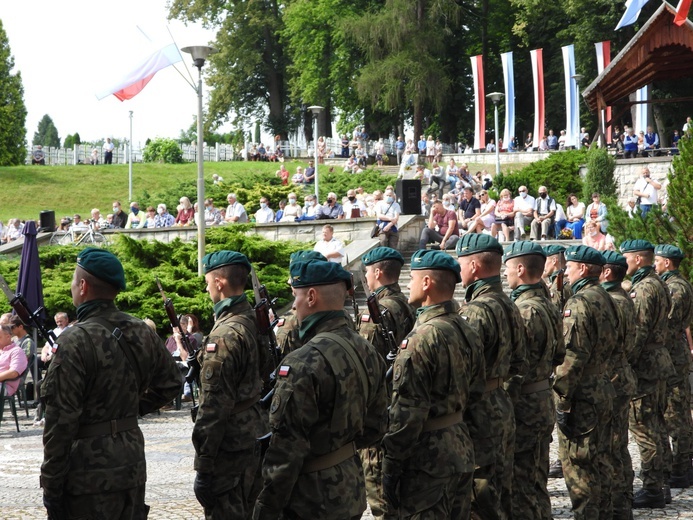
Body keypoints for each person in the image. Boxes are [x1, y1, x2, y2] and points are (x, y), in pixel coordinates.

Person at [40, 248, 182, 519]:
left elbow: (61, 421)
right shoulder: (142, 330)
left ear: (83, 286)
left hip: (87, 471)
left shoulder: (73, 341)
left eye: (73, 281)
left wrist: (51, 481)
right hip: (130, 461)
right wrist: (132, 408)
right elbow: (172, 382)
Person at [253, 255, 388, 520]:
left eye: (297, 296)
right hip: (349, 486)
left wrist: (264, 509)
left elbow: (285, 453)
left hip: (309, 498)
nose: (294, 305)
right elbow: (376, 426)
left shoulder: (302, 362)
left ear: (312, 297)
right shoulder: (367, 349)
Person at [382, 249, 485, 519]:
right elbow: (476, 391)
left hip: (427, 461)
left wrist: (391, 464)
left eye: (412, 278)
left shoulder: (421, 338)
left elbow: (408, 412)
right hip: (460, 447)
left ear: (427, 283)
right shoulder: (466, 329)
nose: (407, 284)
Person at [456, 233, 527, 520]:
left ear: (473, 265)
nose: (458, 270)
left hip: (479, 411)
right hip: (500, 402)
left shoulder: (474, 312)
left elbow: (463, 375)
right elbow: (520, 361)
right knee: (501, 489)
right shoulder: (509, 303)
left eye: (460, 263)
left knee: (480, 495)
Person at [194, 251, 267, 518]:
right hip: (254, 433)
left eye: (207, 281)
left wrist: (203, 465)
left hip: (230, 450)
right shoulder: (253, 321)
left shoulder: (224, 335)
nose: (206, 287)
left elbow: (213, 408)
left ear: (219, 283)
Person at [553, 245, 618, 520]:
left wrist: (562, 400)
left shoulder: (579, 302)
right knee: (601, 459)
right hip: (603, 384)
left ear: (582, 269)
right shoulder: (606, 297)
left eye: (569, 266)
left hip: (584, 393)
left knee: (579, 465)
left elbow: (572, 356)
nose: (565, 271)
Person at [503, 241, 565, 520]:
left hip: (524, 404)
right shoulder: (548, 304)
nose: (505, 275)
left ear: (519, 268)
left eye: (507, 269)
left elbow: (514, 369)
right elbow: (560, 354)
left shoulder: (523, 309)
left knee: (520, 485)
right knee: (537, 479)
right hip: (541, 397)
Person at [356, 247, 415, 518]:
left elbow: (367, 366)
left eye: (368, 271)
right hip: (406, 407)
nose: (367, 277)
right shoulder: (407, 303)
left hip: (382, 413)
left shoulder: (377, 312)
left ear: (378, 272)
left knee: (382, 499)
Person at [620, 239, 676, 508]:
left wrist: (624, 363)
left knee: (644, 428)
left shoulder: (643, 289)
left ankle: (653, 487)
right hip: (659, 360)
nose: (624, 262)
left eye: (627, 257)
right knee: (656, 424)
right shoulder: (659, 283)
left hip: (645, 366)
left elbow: (638, 333)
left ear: (638, 259)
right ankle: (662, 484)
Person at [599, 250, 638, 520]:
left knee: (611, 445)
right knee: (618, 442)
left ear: (608, 272)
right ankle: (622, 500)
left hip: (612, 377)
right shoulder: (623, 297)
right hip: (623, 373)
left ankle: (616, 502)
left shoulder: (612, 301)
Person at [654, 245, 693, 490]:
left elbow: (669, 323)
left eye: (657, 261)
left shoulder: (675, 288)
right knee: (675, 413)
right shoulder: (676, 284)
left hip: (673, 356)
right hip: (674, 353)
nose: (655, 265)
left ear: (667, 263)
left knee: (676, 415)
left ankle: (681, 470)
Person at [0, 324, 28, 396]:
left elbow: (13, 373)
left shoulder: (16, 351)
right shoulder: (1, 350)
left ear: (8, 337)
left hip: (4, 386)